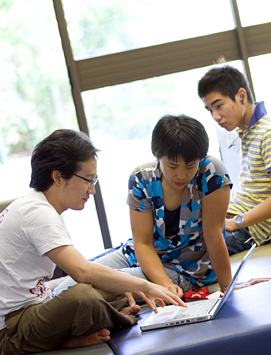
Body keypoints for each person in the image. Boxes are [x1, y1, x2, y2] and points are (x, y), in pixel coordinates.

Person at [0, 130, 185, 355]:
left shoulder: (38, 207)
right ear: (58, 177)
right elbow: (82, 271)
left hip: (33, 309)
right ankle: (100, 327)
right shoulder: (37, 214)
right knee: (84, 296)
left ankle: (92, 325)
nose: (92, 190)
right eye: (88, 180)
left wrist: (120, 283)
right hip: (7, 333)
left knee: (110, 285)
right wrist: (146, 285)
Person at [53, 115, 235, 296]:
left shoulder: (211, 171)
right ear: (157, 156)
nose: (181, 175)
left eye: (190, 166)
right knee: (67, 288)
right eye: (172, 166)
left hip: (185, 271)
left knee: (89, 291)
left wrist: (228, 288)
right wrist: (163, 285)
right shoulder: (141, 178)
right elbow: (142, 244)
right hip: (136, 255)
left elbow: (214, 234)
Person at [198, 65, 271, 255]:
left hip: (252, 231)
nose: (216, 117)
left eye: (219, 106)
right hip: (237, 220)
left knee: (179, 252)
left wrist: (236, 222)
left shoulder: (270, 135)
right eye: (210, 110)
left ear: (241, 96)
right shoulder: (249, 133)